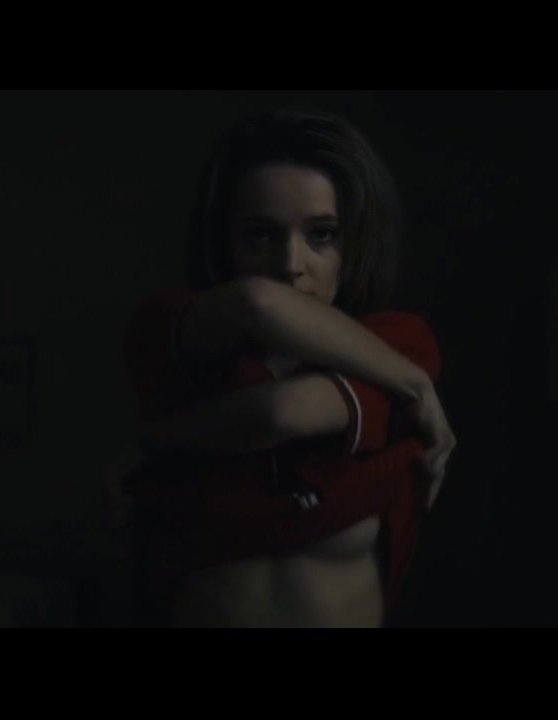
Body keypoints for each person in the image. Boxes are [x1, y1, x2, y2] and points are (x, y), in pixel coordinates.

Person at [117, 107, 456, 627]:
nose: (290, 265)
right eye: (260, 235)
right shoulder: (171, 326)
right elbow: (257, 304)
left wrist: (154, 441)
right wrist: (413, 386)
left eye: (322, 235)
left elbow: (281, 413)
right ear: (224, 242)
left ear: (354, 242)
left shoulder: (395, 343)